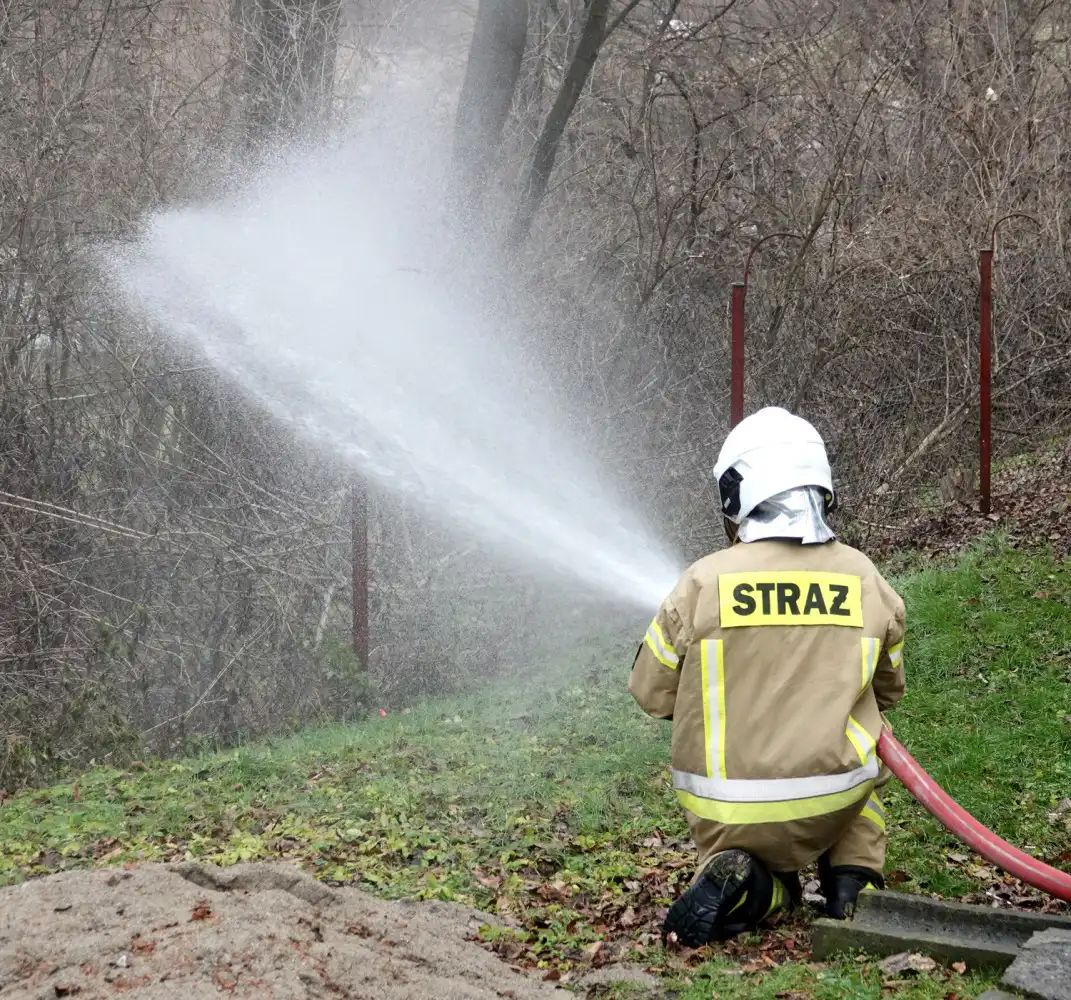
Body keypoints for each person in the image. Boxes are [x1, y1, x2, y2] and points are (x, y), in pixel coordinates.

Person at [629, 407, 906, 947]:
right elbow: (889, 689)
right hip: (834, 797)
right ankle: (853, 880)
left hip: (725, 807)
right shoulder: (864, 576)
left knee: (756, 865)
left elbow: (650, 692)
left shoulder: (702, 581)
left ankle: (760, 888)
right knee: (864, 770)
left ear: (737, 493)